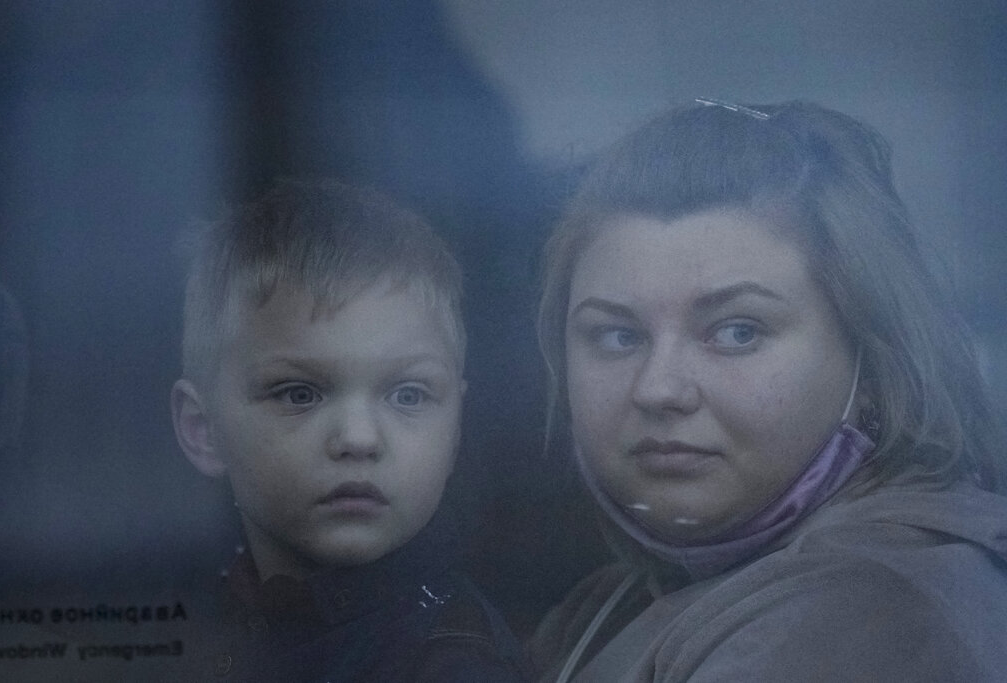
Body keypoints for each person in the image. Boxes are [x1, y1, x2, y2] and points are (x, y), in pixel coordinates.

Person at [528, 100, 1007, 681]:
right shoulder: (609, 602)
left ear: (874, 362)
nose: (658, 389)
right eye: (618, 335)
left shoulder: (863, 614)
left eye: (738, 332)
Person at [170, 178, 527, 681]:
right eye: (299, 394)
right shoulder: (198, 619)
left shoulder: (457, 666)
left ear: (455, 428)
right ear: (203, 430)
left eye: (408, 395)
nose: (360, 439)